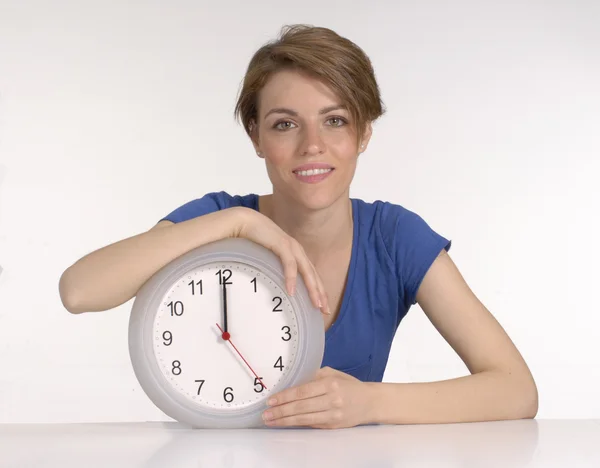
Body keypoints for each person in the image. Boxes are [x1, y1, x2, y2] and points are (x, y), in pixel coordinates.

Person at [59, 24, 538, 429]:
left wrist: (371, 403)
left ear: (364, 133)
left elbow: (516, 391)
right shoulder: (218, 218)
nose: (313, 145)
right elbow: (79, 291)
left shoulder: (393, 237)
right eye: (285, 124)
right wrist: (238, 221)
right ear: (256, 136)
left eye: (334, 120)